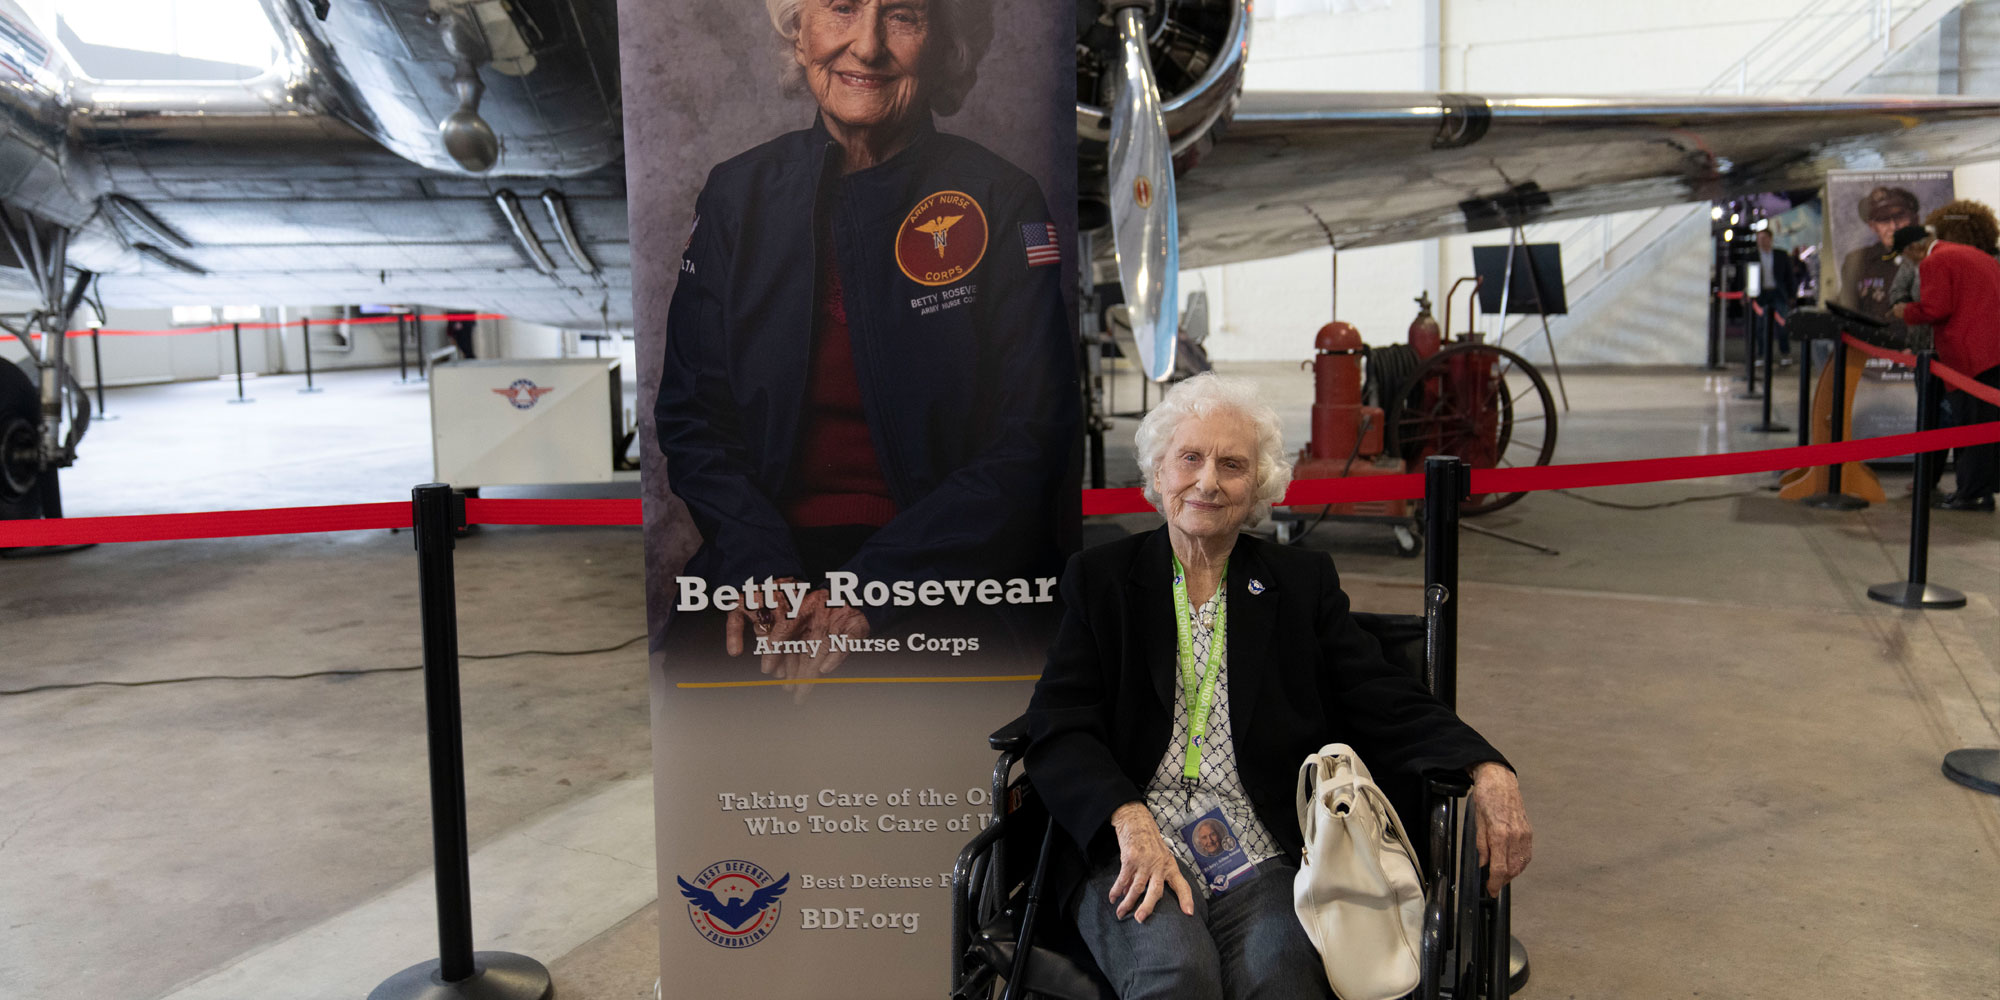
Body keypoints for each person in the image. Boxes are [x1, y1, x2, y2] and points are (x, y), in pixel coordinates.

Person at [1023, 374, 1531, 1000]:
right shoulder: (1101, 580)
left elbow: (1379, 693)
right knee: (1176, 974)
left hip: (1259, 849)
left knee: (1282, 977)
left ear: (1257, 489)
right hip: (1133, 843)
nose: (1208, 481)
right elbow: (1059, 719)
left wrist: (1485, 765)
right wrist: (1126, 818)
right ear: (1159, 473)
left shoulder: (1299, 582)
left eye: (1232, 465)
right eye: (1190, 458)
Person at [654, 0, 1079, 677]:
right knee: (704, 679)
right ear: (800, 36)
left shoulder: (1002, 198)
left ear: (945, 46)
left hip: (947, 559)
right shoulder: (738, 195)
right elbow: (694, 418)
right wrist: (761, 568)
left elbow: (1033, 436)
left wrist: (871, 589)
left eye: (903, 16)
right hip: (769, 551)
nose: (867, 45)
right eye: (842, 9)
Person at [1892, 203, 2000, 512]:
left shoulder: (1934, 262)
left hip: (1967, 357)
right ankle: (1975, 488)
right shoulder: (1976, 255)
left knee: (1968, 425)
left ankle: (1972, 494)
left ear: (1915, 247)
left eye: (1907, 255)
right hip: (1992, 353)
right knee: (1985, 425)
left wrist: (1905, 311)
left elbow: (1936, 309)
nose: (1909, 262)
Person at [1841, 186, 1921, 323]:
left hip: (1920, 342)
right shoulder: (1858, 262)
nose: (1893, 227)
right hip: (1872, 342)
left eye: (1900, 217)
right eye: (1884, 220)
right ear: (1873, 226)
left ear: (1915, 219)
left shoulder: (1931, 257)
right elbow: (1847, 315)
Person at [1754, 229, 1797, 361]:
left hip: (1778, 294)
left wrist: (1792, 295)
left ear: (1770, 239)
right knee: (1760, 326)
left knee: (1783, 325)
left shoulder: (1781, 255)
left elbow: (1789, 277)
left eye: (1764, 238)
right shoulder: (1753, 256)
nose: (1761, 241)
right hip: (1761, 295)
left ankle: (1785, 353)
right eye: (1759, 239)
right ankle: (1761, 354)